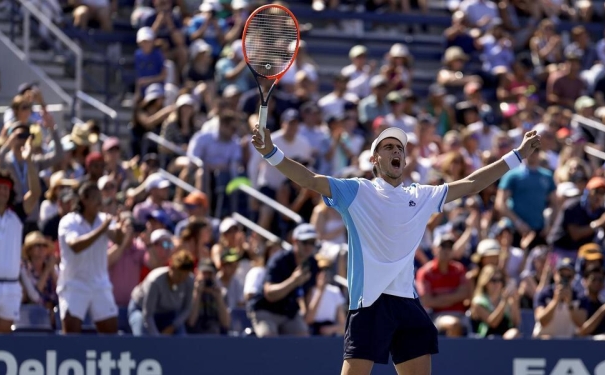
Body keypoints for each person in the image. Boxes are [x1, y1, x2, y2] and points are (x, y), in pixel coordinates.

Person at [251, 125, 540, 374]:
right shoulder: (355, 190)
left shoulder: (421, 195)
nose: (396, 151)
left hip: (407, 303)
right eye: (388, 147)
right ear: (376, 160)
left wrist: (518, 155)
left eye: (399, 147)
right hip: (369, 303)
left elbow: (472, 183)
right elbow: (309, 180)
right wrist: (271, 153)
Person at [0, 152, 40, 333]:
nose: (2, 191)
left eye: (5, 188)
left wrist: (29, 160)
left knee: (2, 339)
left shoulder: (16, 215)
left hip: (11, 286)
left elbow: (35, 193)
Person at [57, 181, 124, 334]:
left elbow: (118, 240)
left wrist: (119, 228)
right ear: (83, 199)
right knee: (71, 335)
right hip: (74, 284)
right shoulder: (69, 222)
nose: (99, 202)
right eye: (95, 198)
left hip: (100, 284)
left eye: (99, 197)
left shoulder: (105, 219)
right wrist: (102, 229)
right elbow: (75, 246)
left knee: (111, 334)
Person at [128, 250, 195, 336]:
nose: (181, 279)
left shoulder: (189, 280)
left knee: (181, 337)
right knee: (142, 338)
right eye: (179, 275)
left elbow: (187, 309)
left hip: (167, 315)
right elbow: (148, 315)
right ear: (171, 267)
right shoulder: (155, 281)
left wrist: (173, 326)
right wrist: (159, 339)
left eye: (185, 276)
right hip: (141, 310)